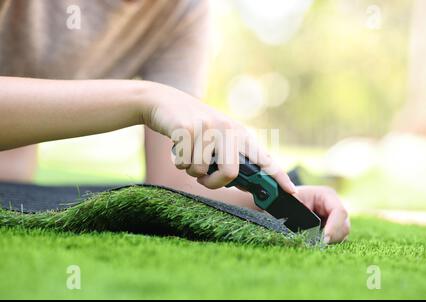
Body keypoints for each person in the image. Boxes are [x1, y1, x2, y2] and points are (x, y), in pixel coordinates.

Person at [0, 0, 349, 243]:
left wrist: (277, 201)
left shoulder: (185, 9)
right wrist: (145, 99)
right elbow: (154, 102)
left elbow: (172, 177)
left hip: (12, 166)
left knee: (11, 184)